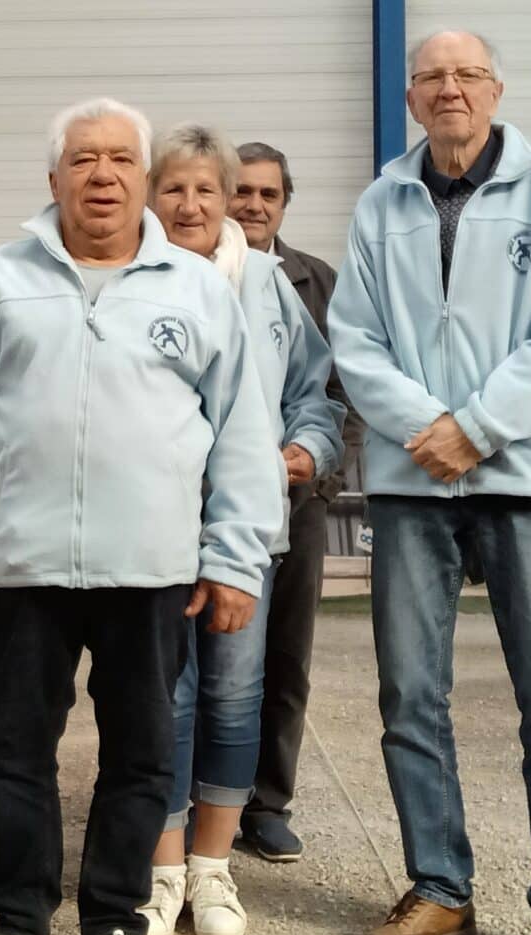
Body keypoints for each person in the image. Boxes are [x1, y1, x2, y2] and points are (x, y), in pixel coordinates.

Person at [0, 98, 282, 935]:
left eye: (121, 158)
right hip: (25, 572)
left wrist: (235, 558)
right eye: (83, 160)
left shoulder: (195, 289)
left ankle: (114, 925)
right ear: (53, 180)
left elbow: (241, 432)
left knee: (139, 756)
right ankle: (18, 927)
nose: (103, 175)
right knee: (14, 753)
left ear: (143, 177)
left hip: (151, 572)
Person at [329, 30, 531, 935]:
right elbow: (356, 340)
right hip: (415, 480)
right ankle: (439, 886)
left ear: (494, 89)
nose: (448, 89)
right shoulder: (382, 200)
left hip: (527, 474)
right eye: (430, 78)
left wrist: (479, 429)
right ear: (410, 99)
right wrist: (428, 430)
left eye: (466, 75)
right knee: (410, 696)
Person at [141, 124, 343, 935]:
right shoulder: (128, 272)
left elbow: (316, 393)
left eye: (205, 189)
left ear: (231, 199)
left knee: (232, 694)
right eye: (173, 188)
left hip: (246, 533)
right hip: (148, 532)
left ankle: (212, 871)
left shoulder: (267, 283)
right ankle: (158, 874)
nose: (189, 205)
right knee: (163, 700)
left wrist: (304, 449)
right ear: (152, 197)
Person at [229, 142, 366, 862]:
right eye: (241, 191)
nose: (252, 205)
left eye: (266, 195)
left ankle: (266, 802)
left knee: (285, 657)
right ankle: (197, 799)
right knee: (209, 663)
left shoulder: (316, 280)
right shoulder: (194, 271)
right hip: (209, 508)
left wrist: (311, 471)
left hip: (296, 500)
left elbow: (344, 393)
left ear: (284, 203)